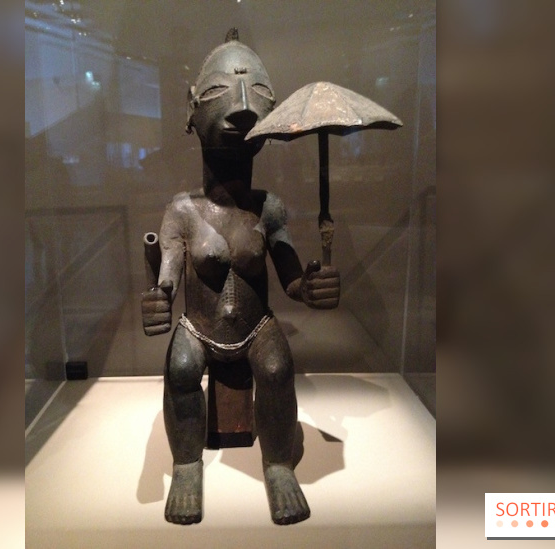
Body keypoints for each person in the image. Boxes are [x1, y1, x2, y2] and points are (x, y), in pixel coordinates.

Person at [141, 29, 340, 525]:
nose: (244, 109)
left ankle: (277, 465)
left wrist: (310, 286)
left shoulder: (268, 208)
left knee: (275, 370)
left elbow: (290, 276)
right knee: (182, 369)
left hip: (256, 328)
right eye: (217, 94)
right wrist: (159, 300)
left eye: (260, 96)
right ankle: (187, 464)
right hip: (198, 328)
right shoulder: (181, 211)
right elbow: (166, 276)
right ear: (192, 112)